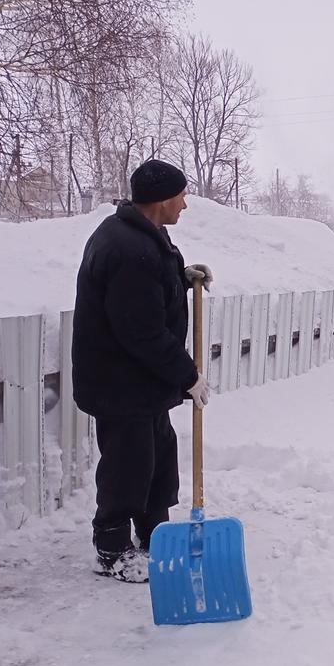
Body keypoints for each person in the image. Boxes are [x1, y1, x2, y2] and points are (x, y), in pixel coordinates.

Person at [72, 159, 213, 582]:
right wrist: (189, 376)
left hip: (140, 382)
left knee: (157, 458)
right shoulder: (127, 248)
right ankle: (112, 549)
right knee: (127, 467)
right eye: (183, 196)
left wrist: (182, 278)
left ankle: (155, 532)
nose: (186, 205)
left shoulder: (145, 236)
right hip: (120, 382)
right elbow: (143, 333)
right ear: (164, 199)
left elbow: (149, 287)